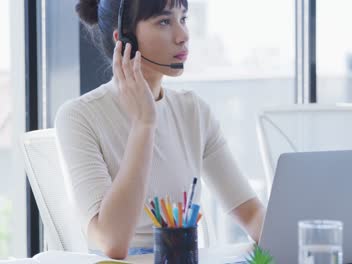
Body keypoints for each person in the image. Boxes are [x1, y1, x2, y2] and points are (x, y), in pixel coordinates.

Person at [55, 0, 265, 259]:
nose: (183, 35)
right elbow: (112, 241)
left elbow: (251, 213)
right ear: (125, 38)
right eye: (164, 22)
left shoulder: (194, 111)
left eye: (183, 19)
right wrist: (144, 123)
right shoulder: (79, 116)